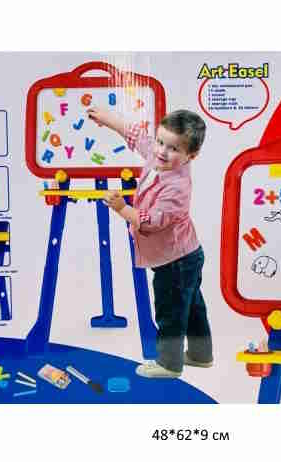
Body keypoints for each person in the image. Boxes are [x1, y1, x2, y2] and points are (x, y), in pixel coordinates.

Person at [87, 107, 213, 378]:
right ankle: (201, 355)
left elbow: (151, 223)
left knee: (170, 311)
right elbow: (136, 136)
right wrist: (107, 119)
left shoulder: (177, 186)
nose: (162, 152)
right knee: (192, 306)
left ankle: (169, 364)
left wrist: (121, 208)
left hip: (176, 261)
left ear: (191, 156)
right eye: (160, 142)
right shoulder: (158, 157)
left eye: (174, 148)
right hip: (185, 254)